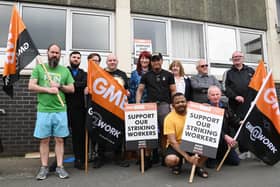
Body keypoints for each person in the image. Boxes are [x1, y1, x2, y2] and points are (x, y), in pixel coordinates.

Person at [28, 43, 74, 180]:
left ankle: (60, 167)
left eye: (57, 53)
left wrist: (59, 86)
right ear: (47, 53)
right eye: (52, 52)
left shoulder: (65, 71)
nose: (54, 55)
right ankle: (44, 167)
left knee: (60, 140)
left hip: (60, 110)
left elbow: (72, 88)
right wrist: (49, 90)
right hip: (44, 110)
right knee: (44, 140)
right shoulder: (39, 68)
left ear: (60, 55)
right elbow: (31, 86)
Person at [136, 52, 176, 164]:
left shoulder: (169, 75)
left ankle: (164, 156)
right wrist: (138, 104)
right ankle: (148, 157)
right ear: (151, 62)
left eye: (158, 60)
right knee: (149, 132)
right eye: (154, 60)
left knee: (165, 132)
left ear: (162, 61)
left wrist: (173, 104)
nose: (156, 62)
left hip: (164, 105)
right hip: (150, 106)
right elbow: (140, 90)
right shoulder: (146, 75)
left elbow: (173, 91)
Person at [164, 92, 208, 177]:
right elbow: (172, 142)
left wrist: (208, 108)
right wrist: (188, 157)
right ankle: (177, 164)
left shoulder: (195, 114)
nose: (181, 104)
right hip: (177, 145)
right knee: (171, 160)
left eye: (182, 101)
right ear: (173, 105)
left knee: (209, 148)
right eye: (177, 103)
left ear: (187, 103)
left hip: (191, 143)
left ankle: (198, 166)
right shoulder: (169, 118)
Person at [98, 54, 130, 167]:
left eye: (114, 60)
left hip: (118, 108)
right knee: (101, 132)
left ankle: (118, 157)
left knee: (118, 133)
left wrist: (127, 92)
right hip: (104, 107)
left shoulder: (122, 74)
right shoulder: (101, 72)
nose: (112, 62)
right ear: (106, 62)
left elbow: (126, 89)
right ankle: (100, 157)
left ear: (117, 62)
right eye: (110, 60)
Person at [224, 51, 255, 156]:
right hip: (235, 106)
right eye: (234, 57)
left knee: (250, 126)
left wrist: (255, 99)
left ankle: (251, 149)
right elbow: (225, 88)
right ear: (232, 60)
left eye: (239, 56)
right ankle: (241, 150)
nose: (237, 58)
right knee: (238, 126)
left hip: (249, 105)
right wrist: (235, 96)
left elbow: (257, 86)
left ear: (243, 58)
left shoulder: (251, 71)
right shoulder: (228, 72)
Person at [206, 86, 240, 168]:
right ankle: (211, 157)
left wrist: (240, 122)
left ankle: (220, 155)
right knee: (211, 166)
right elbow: (211, 127)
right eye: (213, 95)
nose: (215, 96)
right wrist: (225, 136)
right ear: (208, 97)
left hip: (224, 140)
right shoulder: (205, 108)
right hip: (211, 141)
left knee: (235, 161)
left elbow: (232, 120)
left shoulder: (225, 106)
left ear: (221, 94)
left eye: (217, 94)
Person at [129, 51, 152, 170]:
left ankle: (148, 157)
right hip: (137, 104)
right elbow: (132, 90)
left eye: (147, 59)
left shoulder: (153, 73)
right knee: (139, 132)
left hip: (150, 105)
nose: (144, 61)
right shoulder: (134, 74)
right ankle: (140, 156)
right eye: (142, 58)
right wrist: (133, 105)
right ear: (139, 60)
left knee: (149, 132)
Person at [65, 51, 87, 170]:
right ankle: (57, 161)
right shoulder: (64, 71)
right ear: (69, 58)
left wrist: (69, 85)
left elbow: (84, 83)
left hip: (79, 109)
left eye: (78, 58)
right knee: (61, 136)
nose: (76, 59)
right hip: (64, 108)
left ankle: (80, 160)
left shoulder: (83, 73)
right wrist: (76, 86)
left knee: (78, 136)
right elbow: (63, 83)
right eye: (74, 57)